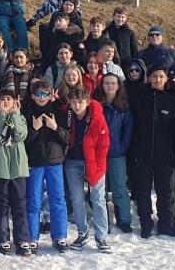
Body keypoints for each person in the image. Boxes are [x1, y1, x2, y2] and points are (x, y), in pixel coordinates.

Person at [131, 65, 175, 239]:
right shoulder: (139, 99)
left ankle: (166, 224)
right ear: (149, 78)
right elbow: (133, 127)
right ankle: (146, 224)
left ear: (166, 79)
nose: (158, 80)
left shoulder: (173, 102)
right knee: (143, 191)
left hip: (165, 155)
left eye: (161, 76)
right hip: (143, 154)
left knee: (166, 192)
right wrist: (134, 152)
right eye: (154, 76)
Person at [22, 80, 70, 253]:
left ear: (50, 95)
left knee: (57, 199)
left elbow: (66, 138)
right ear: (33, 95)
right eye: (38, 94)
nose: (41, 97)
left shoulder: (57, 111)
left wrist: (55, 127)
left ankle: (60, 236)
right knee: (33, 201)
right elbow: (22, 142)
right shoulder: (26, 112)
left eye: (45, 94)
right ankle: (32, 237)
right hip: (34, 163)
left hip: (54, 161)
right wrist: (34, 129)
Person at [64, 88, 111, 252]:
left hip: (94, 162)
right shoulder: (67, 115)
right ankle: (82, 233)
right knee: (77, 199)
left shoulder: (97, 117)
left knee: (98, 199)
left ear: (88, 102)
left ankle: (101, 237)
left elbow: (104, 144)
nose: (77, 106)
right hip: (72, 161)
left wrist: (98, 167)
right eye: (74, 102)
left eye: (80, 102)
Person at [0, 89, 31, 255]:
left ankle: (22, 240)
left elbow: (21, 135)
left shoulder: (20, 117)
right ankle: (2, 239)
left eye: (9, 99)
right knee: (0, 206)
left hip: (18, 168)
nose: (5, 102)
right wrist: (2, 115)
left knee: (20, 205)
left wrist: (14, 114)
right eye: (2, 99)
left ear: (15, 102)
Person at [96, 73, 134, 233]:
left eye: (113, 83)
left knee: (120, 187)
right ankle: (103, 220)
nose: (110, 86)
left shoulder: (124, 107)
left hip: (117, 153)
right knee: (99, 189)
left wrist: (122, 146)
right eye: (107, 83)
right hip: (98, 153)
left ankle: (124, 220)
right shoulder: (96, 105)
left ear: (118, 86)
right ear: (102, 86)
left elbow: (128, 129)